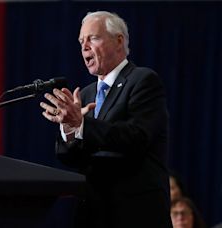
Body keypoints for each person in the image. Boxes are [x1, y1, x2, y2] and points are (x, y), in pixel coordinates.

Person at [40, 11, 172, 227]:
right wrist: (69, 131)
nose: (84, 47)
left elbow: (136, 137)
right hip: (95, 214)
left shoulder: (142, 80)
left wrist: (82, 124)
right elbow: (72, 158)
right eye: (81, 41)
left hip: (136, 214)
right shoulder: (86, 95)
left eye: (92, 38)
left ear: (119, 41)